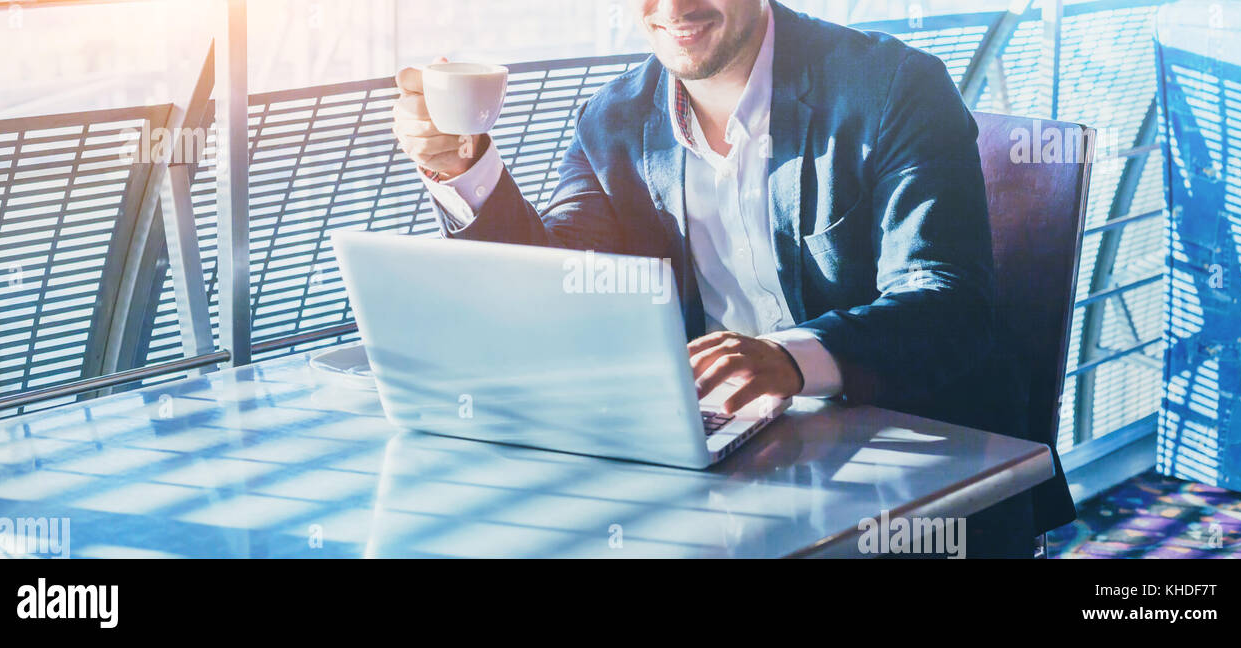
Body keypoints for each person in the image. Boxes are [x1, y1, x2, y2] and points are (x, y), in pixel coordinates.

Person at [391, 0, 1075, 557]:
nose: (677, 5)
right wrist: (465, 170)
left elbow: (947, 301)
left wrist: (789, 360)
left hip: (916, 477)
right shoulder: (615, 122)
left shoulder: (894, 87)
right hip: (736, 471)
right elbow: (556, 289)